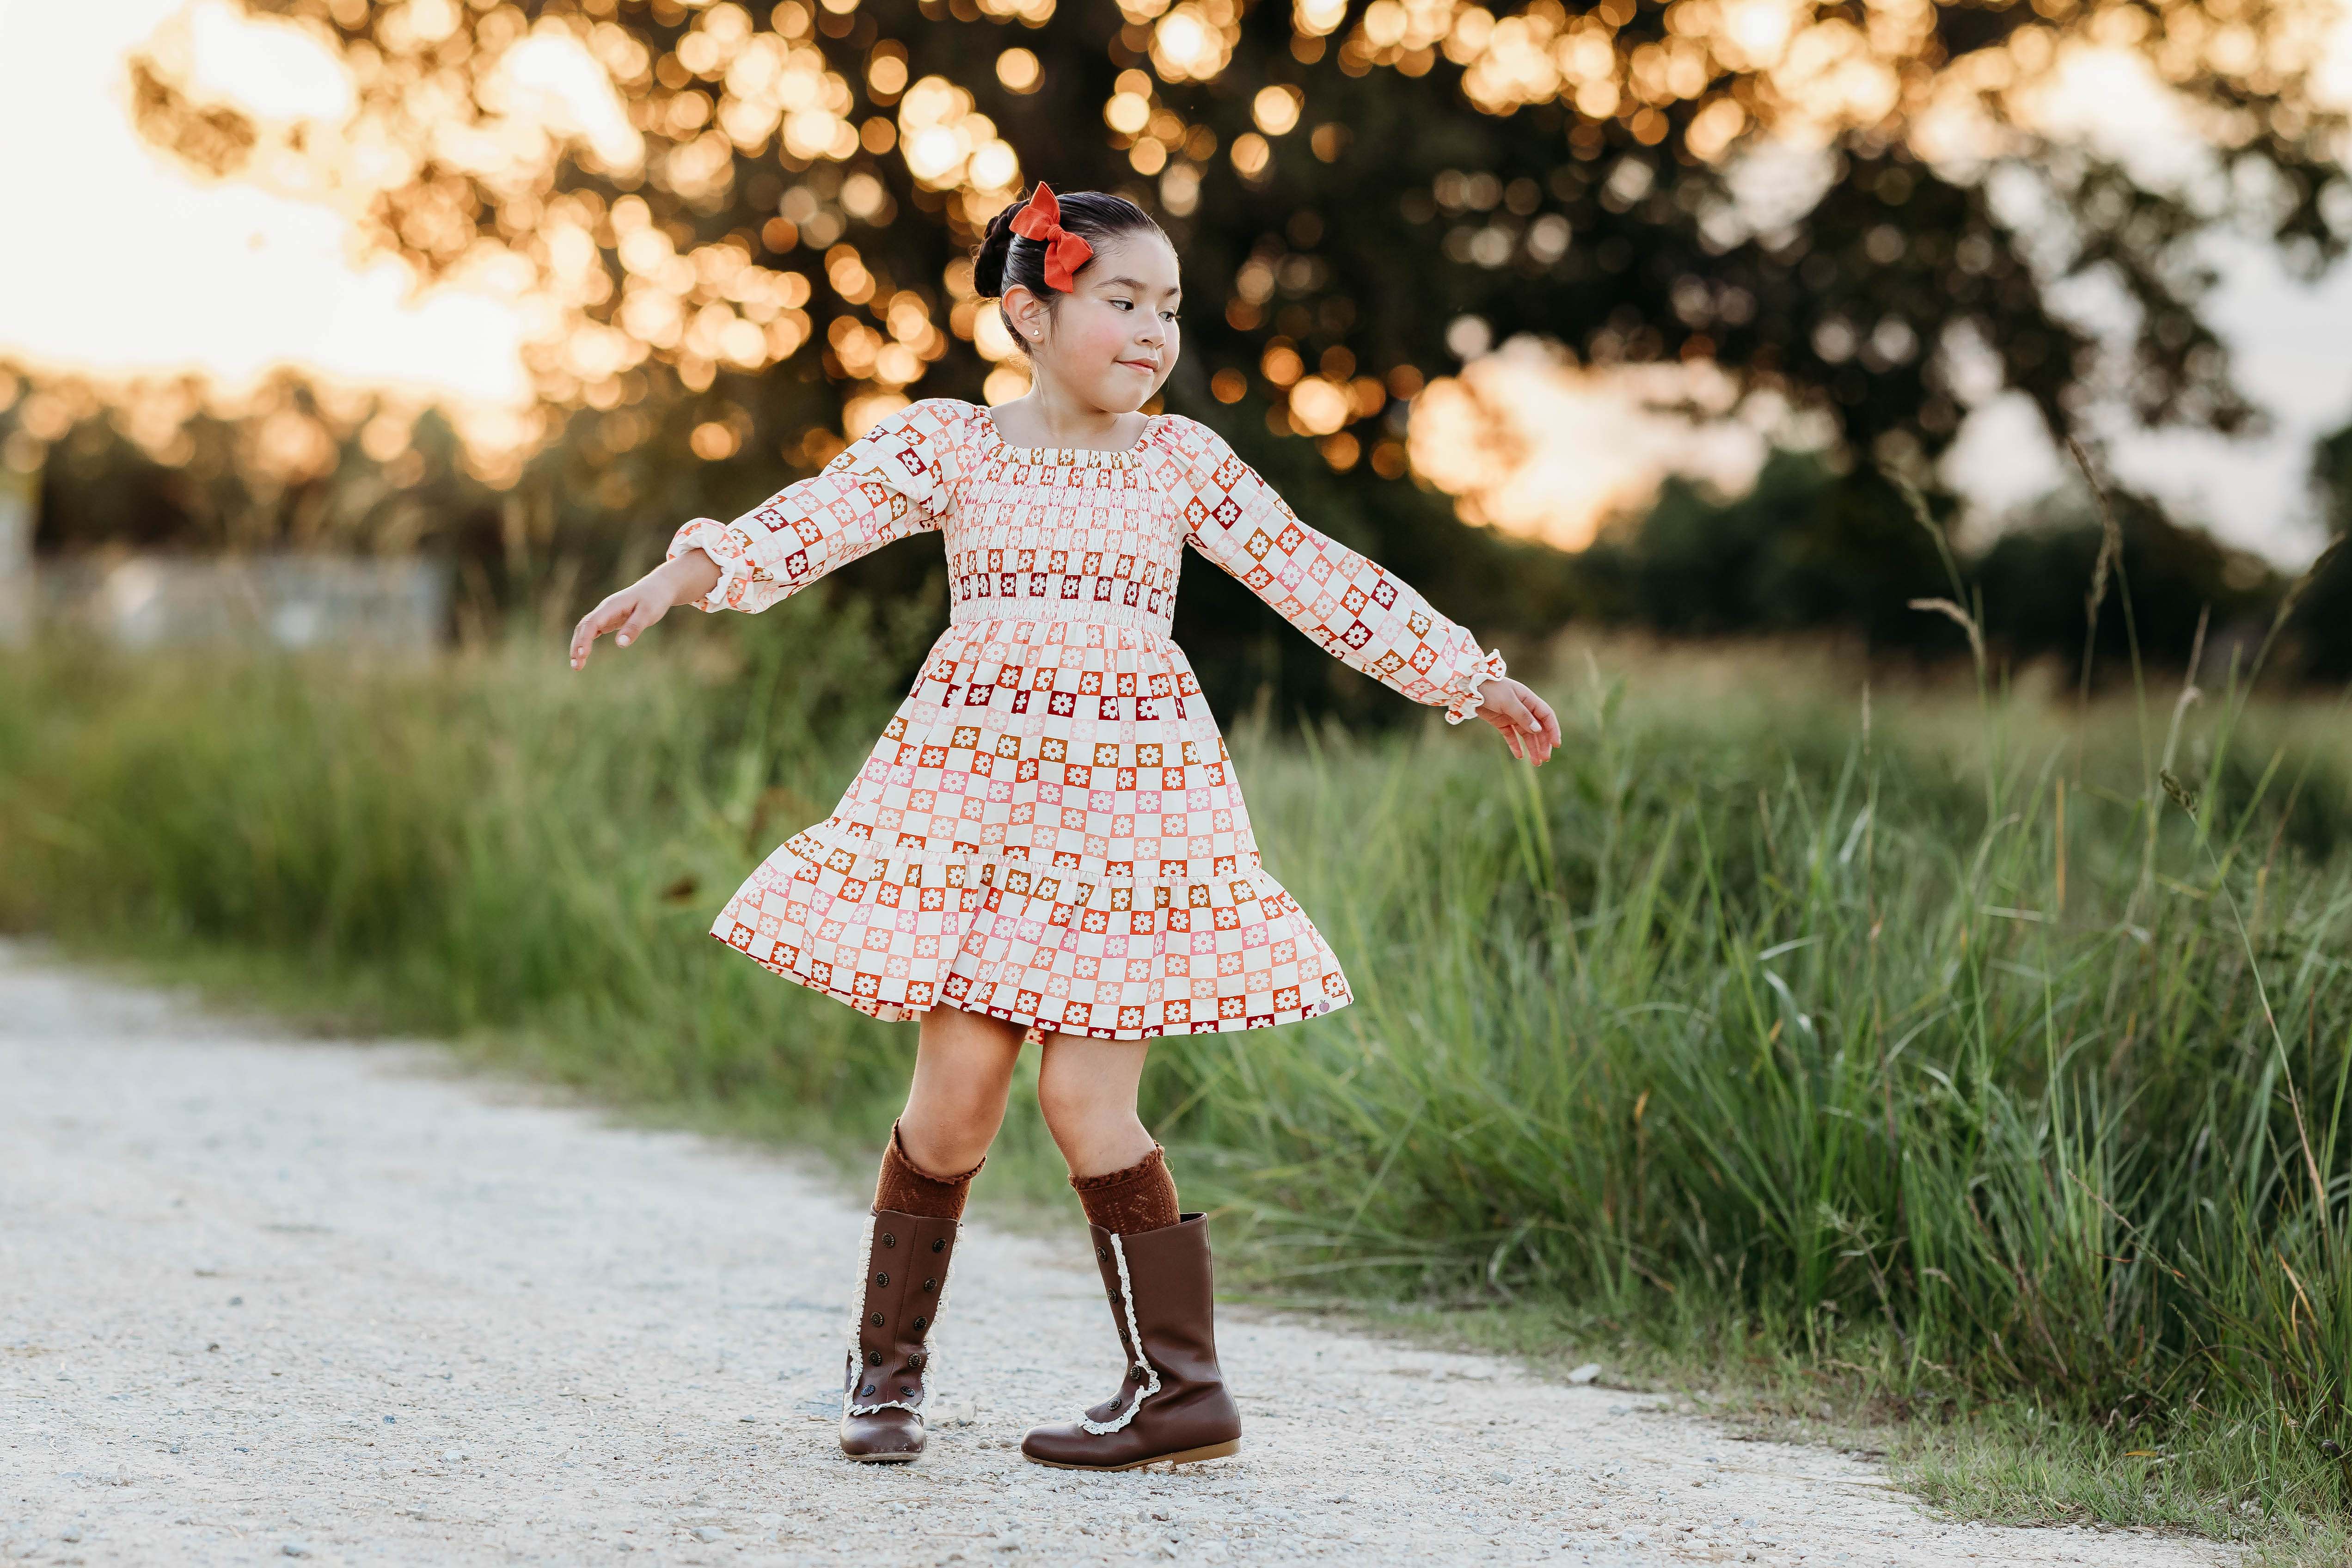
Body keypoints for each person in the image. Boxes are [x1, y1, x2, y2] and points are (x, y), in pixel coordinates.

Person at [568, 182, 1561, 1472]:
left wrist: (1460, 673)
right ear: (1030, 312)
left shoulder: (1182, 462)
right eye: (1123, 302)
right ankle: (887, 1379)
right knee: (956, 1104)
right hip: (973, 814)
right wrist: (678, 576)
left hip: (1127, 825)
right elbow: (812, 519)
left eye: (1171, 310)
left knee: (1091, 1102)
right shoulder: (955, 446)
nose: (1155, 333)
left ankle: (1181, 1393)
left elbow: (1315, 572)